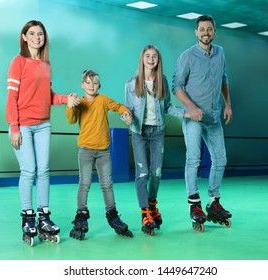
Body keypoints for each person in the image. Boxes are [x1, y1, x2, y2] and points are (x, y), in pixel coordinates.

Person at [6, 20, 79, 246]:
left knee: (44, 170)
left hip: (43, 124)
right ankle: (28, 218)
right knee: (29, 170)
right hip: (23, 126)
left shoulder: (45, 65)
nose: (37, 37)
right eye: (32, 33)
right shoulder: (18, 62)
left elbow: (47, 96)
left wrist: (67, 98)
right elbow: (11, 99)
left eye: (41, 34)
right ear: (24, 37)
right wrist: (15, 127)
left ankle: (44, 217)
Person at [172, 14, 233, 232]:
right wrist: (191, 108)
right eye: (202, 30)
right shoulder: (187, 56)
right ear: (196, 32)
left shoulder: (220, 53)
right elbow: (176, 86)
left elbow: (224, 78)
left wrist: (228, 104)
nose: (206, 33)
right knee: (194, 160)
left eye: (209, 29)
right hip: (194, 118)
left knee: (221, 159)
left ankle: (213, 202)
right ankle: (195, 205)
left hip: (214, 116)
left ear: (214, 31)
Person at [125, 45, 190, 236]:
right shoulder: (131, 83)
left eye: (154, 56)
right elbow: (127, 109)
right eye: (147, 56)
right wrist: (126, 117)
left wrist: (185, 113)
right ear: (142, 58)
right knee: (142, 174)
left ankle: (152, 204)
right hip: (139, 132)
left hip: (158, 132)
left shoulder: (161, 81)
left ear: (158, 60)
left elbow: (168, 106)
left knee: (157, 173)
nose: (151, 59)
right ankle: (145, 212)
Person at [66, 69, 133, 240]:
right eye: (88, 83)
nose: (91, 86)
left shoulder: (103, 99)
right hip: (85, 150)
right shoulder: (79, 102)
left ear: (99, 85)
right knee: (84, 184)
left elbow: (117, 106)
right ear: (82, 85)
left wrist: (126, 113)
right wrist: (69, 105)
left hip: (103, 151)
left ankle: (112, 215)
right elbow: (71, 120)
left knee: (107, 184)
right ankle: (81, 216)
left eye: (94, 83)